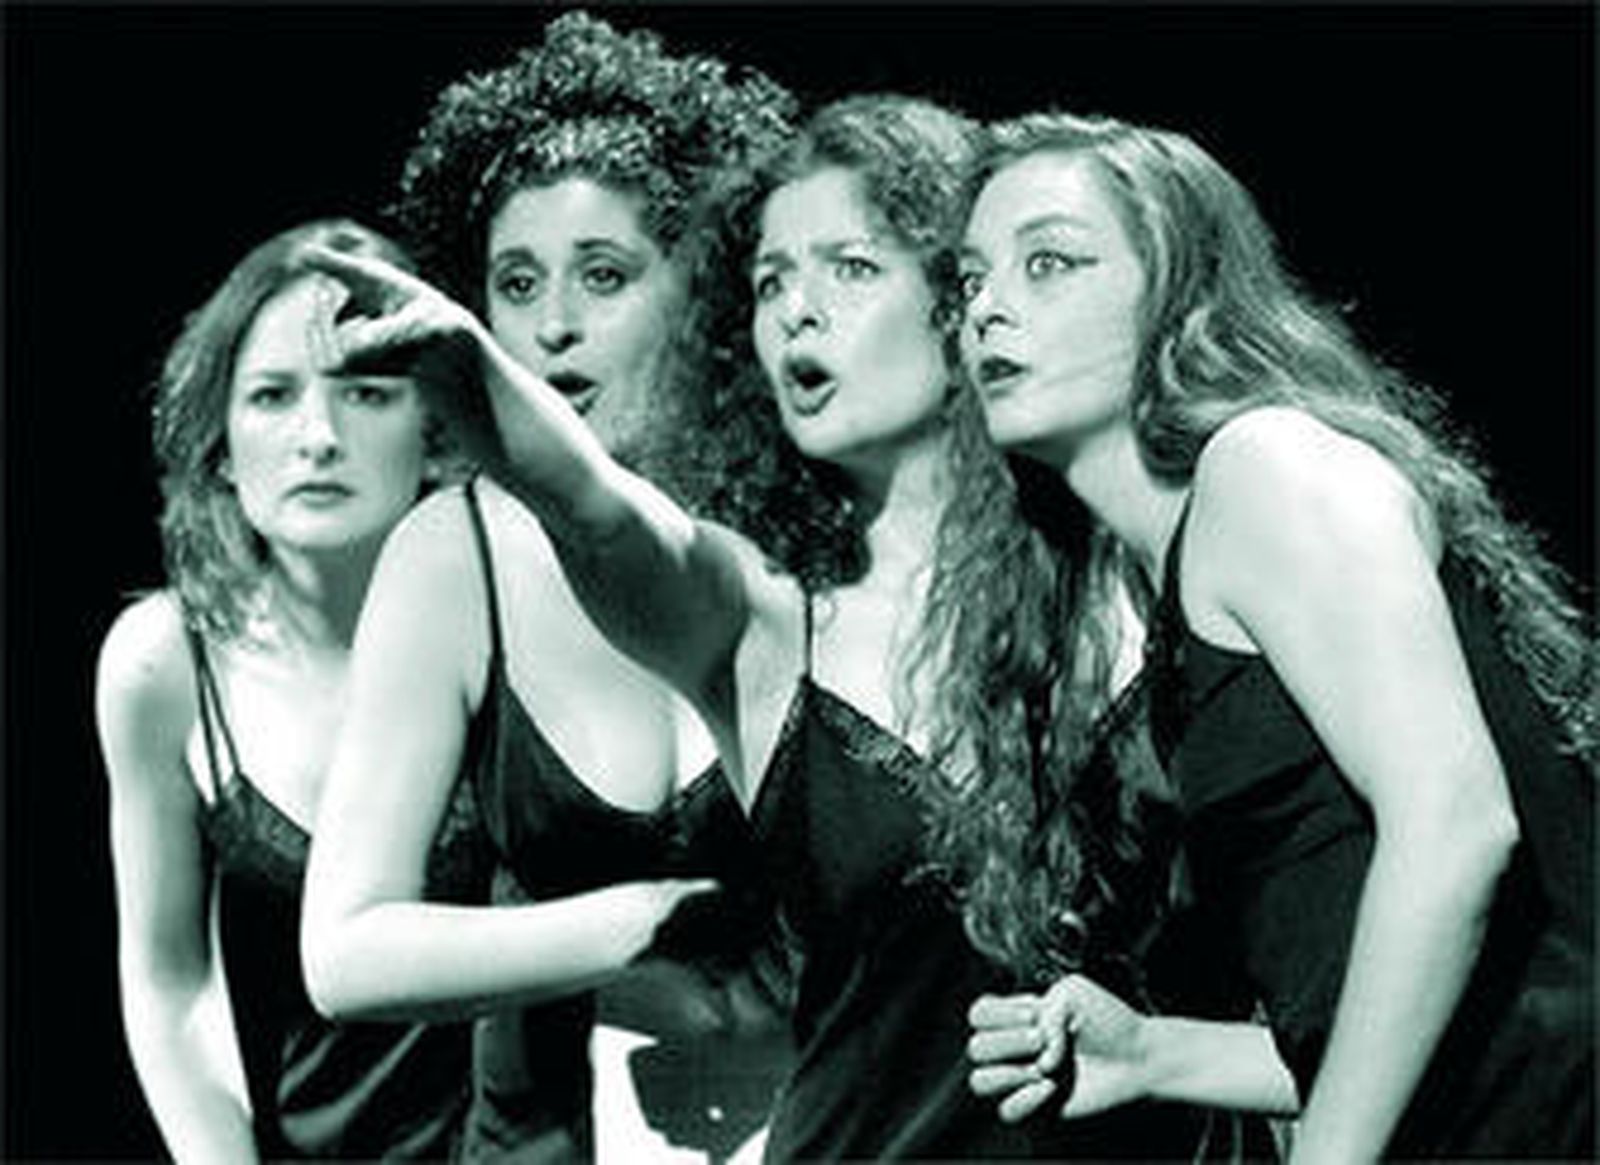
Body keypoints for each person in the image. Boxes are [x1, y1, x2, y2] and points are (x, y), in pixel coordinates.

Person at [304, 93, 1208, 1161]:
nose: (796, 313)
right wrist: (468, 375)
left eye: (849, 268)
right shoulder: (765, 614)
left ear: (959, 297)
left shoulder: (1145, 563)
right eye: (771, 281)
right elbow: (600, 518)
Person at [956, 111, 1596, 1160]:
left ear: (1179, 294)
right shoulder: (1189, 574)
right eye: (971, 279)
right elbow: (1415, 1008)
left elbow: (1456, 827)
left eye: (1050, 264)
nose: (987, 307)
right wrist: (1156, 1054)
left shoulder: (1264, 468)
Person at [297, 13, 795, 1162]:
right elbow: (345, 950)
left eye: (603, 277)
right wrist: (643, 924)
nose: (552, 327)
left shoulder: (798, 530)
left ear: (707, 293)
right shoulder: (453, 554)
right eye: (515, 284)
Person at [94, 219, 479, 1161]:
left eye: (368, 392)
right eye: (273, 395)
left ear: (434, 431)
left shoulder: (515, 626)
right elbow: (170, 981)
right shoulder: (164, 663)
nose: (319, 437)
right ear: (222, 444)